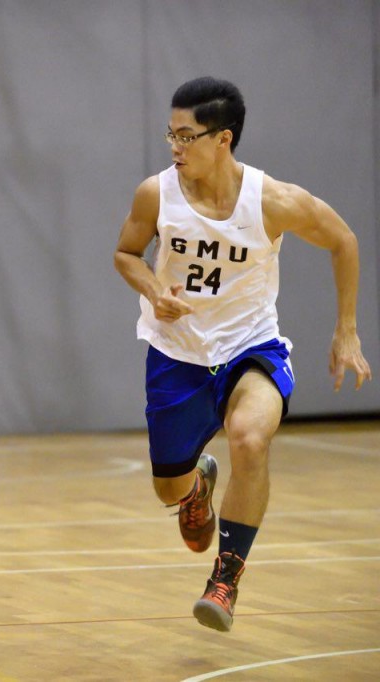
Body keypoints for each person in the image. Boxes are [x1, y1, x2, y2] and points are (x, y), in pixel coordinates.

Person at [114, 76, 372, 632]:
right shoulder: (155, 193)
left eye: (187, 136)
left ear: (223, 138)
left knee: (250, 438)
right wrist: (154, 290)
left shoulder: (273, 200)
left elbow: (343, 240)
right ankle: (194, 489)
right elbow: (125, 253)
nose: (175, 147)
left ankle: (226, 576)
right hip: (176, 356)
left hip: (249, 347)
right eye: (171, 135)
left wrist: (345, 329)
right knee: (167, 484)